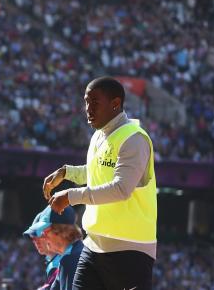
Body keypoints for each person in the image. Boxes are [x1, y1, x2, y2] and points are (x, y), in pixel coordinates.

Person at [42, 76, 157, 289]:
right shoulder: (99, 136)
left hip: (130, 251)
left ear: (115, 104)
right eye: (86, 101)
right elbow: (96, 173)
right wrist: (66, 172)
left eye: (94, 102)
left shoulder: (134, 138)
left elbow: (121, 188)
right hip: (94, 246)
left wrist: (71, 196)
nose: (88, 108)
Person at [24, 206, 84, 290]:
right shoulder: (73, 254)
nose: (43, 237)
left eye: (44, 232)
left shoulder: (70, 259)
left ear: (62, 231)